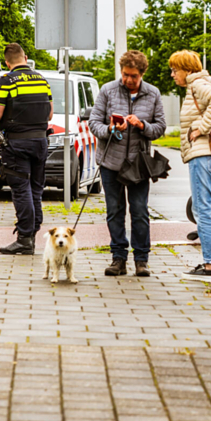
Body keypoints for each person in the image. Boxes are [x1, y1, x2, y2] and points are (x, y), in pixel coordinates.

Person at [89, 50, 166, 277]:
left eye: (133, 76)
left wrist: (143, 126)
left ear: (142, 73)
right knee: (114, 211)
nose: (128, 80)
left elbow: (160, 127)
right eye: (125, 75)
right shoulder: (108, 90)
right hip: (110, 162)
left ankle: (141, 260)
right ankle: (118, 258)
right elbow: (94, 122)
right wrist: (110, 129)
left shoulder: (153, 94)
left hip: (138, 164)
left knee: (140, 211)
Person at [0, 43, 53, 256]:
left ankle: (25, 238)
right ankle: (32, 233)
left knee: (21, 189)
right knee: (36, 188)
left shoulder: (6, 81)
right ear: (25, 58)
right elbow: (50, 114)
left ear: (7, 62)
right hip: (40, 142)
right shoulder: (42, 80)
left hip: (17, 144)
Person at [173, 50, 211, 282]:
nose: (172, 74)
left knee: (203, 209)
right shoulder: (204, 82)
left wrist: (201, 128)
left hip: (204, 155)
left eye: (175, 70)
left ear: (187, 69)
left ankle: (209, 267)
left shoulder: (197, 84)